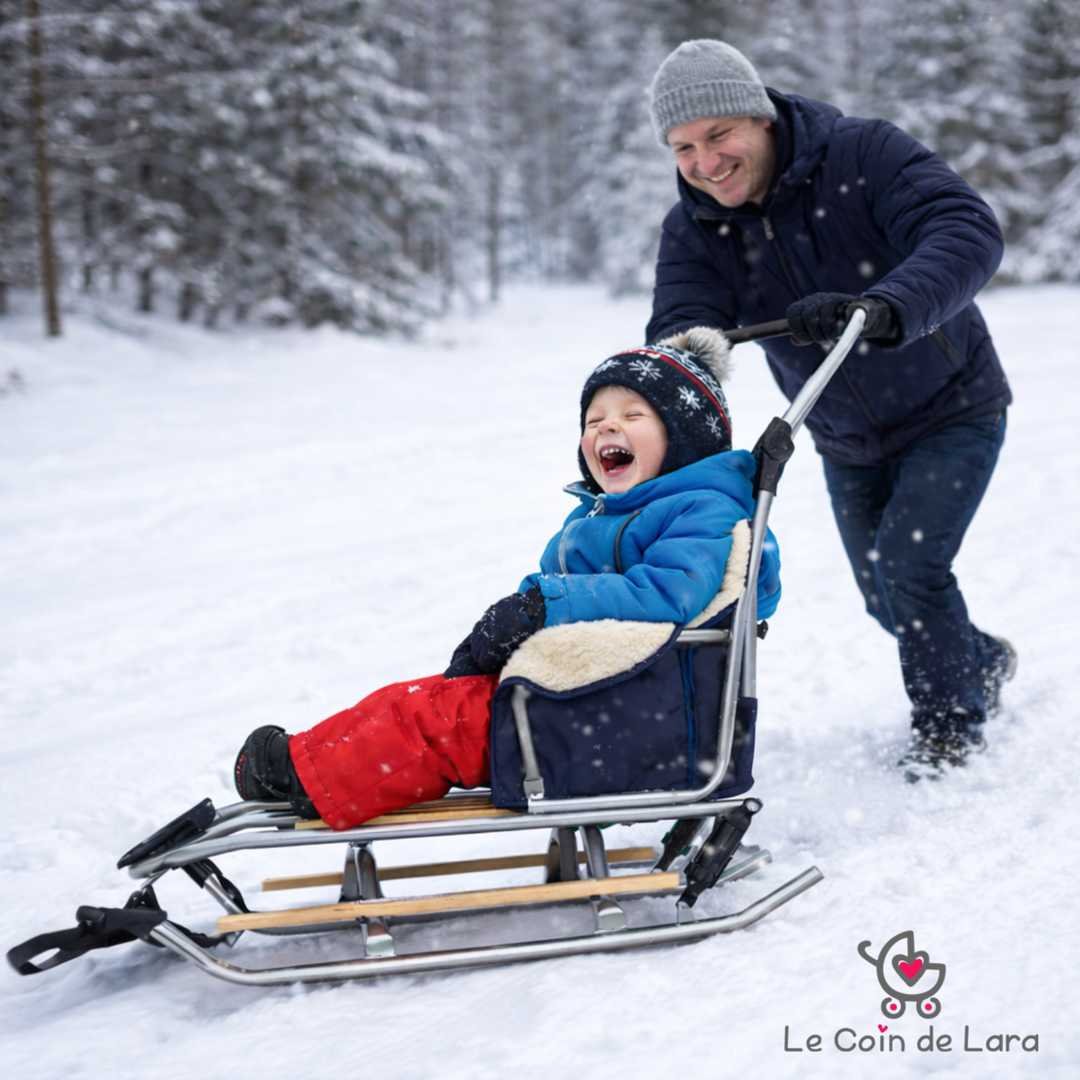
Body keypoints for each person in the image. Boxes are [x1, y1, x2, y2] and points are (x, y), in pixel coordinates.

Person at [644, 39, 1015, 779]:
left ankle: (949, 726)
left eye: (719, 135)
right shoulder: (695, 229)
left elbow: (965, 228)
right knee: (885, 596)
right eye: (684, 148)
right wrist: (669, 373)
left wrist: (886, 304)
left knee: (910, 567)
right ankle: (980, 659)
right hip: (845, 436)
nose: (706, 162)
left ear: (760, 117)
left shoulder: (863, 154)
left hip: (952, 405)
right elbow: (681, 325)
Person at [232, 329, 782, 828]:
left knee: (438, 723)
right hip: (592, 700)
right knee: (434, 700)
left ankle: (311, 777)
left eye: (633, 415)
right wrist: (500, 640)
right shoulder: (601, 518)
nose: (607, 427)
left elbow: (667, 594)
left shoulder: (704, 510)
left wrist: (542, 606)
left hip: (633, 719)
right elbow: (567, 596)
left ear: (684, 438)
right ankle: (314, 760)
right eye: (593, 420)